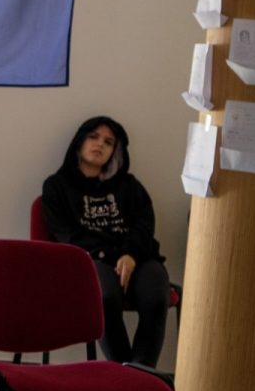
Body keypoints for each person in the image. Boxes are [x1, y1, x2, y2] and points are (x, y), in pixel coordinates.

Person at [40, 116, 171, 372]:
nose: (100, 144)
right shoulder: (56, 187)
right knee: (104, 296)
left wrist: (130, 254)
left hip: (137, 258)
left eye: (109, 142)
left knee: (157, 294)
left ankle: (141, 374)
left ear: (115, 151)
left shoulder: (130, 186)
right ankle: (123, 373)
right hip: (90, 259)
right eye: (94, 137)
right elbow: (66, 235)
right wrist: (110, 254)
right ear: (79, 142)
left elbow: (145, 226)